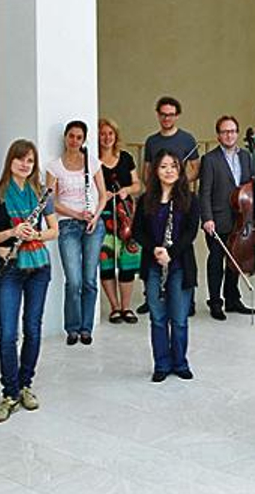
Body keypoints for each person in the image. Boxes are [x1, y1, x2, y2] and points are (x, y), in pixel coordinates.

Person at [0, 140, 58, 423]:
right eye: (19, 159)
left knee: (33, 330)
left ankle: (25, 385)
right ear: (10, 161)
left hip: (39, 267)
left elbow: (54, 231)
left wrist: (34, 235)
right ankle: (9, 393)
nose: (25, 165)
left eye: (30, 160)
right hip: (10, 266)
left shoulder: (42, 193)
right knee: (7, 335)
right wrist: (13, 231)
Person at [132, 149, 200, 383]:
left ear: (179, 169)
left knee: (179, 319)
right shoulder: (145, 199)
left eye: (173, 166)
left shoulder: (190, 199)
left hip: (180, 265)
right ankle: (161, 363)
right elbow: (138, 231)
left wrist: (170, 253)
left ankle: (180, 362)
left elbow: (191, 233)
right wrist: (155, 250)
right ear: (155, 171)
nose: (169, 170)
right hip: (153, 266)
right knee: (158, 318)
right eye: (163, 166)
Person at [137, 96, 201, 316]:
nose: (167, 118)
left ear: (177, 116)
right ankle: (153, 297)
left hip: (179, 199)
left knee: (180, 249)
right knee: (154, 243)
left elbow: (195, 168)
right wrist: (157, 187)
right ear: (158, 115)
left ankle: (186, 302)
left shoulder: (187, 139)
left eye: (171, 114)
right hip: (158, 199)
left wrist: (178, 180)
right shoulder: (152, 141)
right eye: (163, 114)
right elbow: (147, 170)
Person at [46, 120, 107, 345]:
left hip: (92, 225)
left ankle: (86, 328)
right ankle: (71, 327)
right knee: (74, 280)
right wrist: (76, 213)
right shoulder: (54, 167)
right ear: (65, 137)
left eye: (79, 137)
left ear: (84, 140)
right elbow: (50, 201)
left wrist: (95, 216)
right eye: (71, 136)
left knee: (90, 279)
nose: (74, 141)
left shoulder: (92, 163)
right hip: (68, 225)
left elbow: (103, 195)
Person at [199, 115, 255, 320]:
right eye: (224, 131)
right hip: (217, 219)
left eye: (232, 131)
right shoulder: (210, 159)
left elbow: (249, 184)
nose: (229, 135)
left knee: (236, 261)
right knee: (216, 261)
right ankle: (215, 302)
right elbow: (203, 192)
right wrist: (206, 218)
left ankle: (233, 299)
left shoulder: (246, 156)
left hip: (241, 218)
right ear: (218, 135)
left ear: (237, 133)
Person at [97, 118, 142, 324]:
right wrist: (101, 194)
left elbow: (137, 185)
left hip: (126, 216)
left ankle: (126, 307)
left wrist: (126, 190)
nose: (106, 137)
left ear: (115, 136)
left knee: (128, 262)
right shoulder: (92, 160)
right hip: (104, 217)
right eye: (103, 133)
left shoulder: (125, 157)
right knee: (106, 263)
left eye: (110, 134)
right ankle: (114, 307)